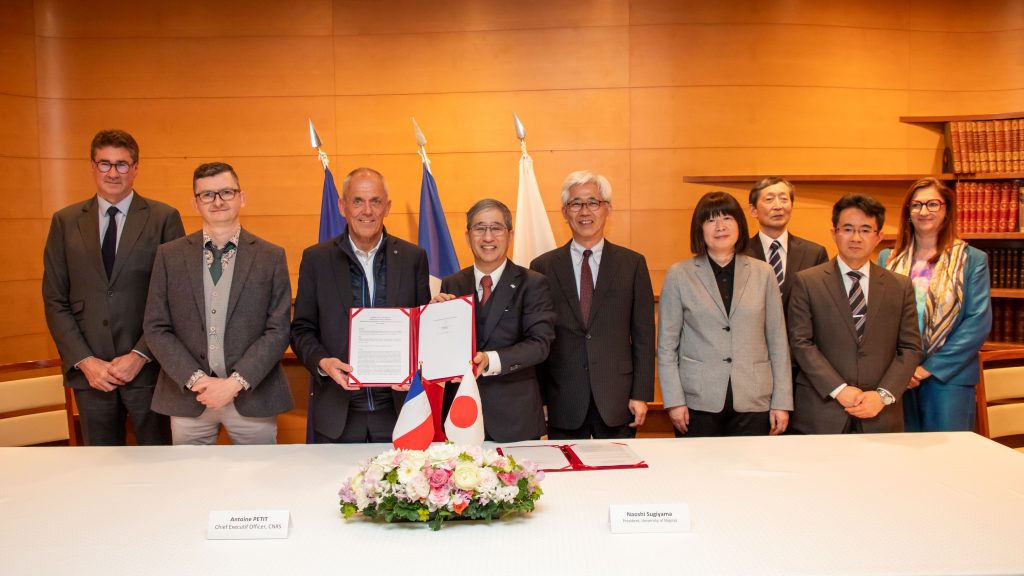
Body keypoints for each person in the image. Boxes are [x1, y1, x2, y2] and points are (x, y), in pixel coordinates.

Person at [42, 129, 185, 445]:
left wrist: (139, 355)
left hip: (147, 371)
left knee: (157, 467)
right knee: (100, 470)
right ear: (92, 166)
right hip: (90, 375)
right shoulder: (65, 222)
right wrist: (85, 361)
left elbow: (176, 299)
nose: (112, 172)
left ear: (135, 168)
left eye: (122, 164)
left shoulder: (164, 218)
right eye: (104, 164)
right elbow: (54, 298)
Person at [144, 162, 293, 444]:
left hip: (252, 397)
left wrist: (233, 384)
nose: (218, 201)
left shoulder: (270, 256)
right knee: (192, 484)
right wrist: (198, 380)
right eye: (207, 195)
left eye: (226, 192)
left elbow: (278, 329)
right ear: (195, 203)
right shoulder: (169, 256)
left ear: (242, 197)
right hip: (188, 397)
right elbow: (155, 327)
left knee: (257, 484)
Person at [290, 167, 430, 443]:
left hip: (399, 411)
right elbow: (302, 329)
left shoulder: (413, 258)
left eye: (375, 201)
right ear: (343, 206)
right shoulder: (317, 259)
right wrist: (323, 363)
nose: (367, 210)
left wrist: (415, 366)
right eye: (357, 201)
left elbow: (422, 328)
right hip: (337, 413)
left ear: (387, 207)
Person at [530, 170, 654, 439]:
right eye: (576, 203)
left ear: (607, 209)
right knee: (566, 477)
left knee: (619, 477)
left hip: (618, 399)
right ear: (565, 212)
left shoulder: (632, 264)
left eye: (593, 202)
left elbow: (644, 334)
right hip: (563, 399)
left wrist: (641, 394)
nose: (584, 211)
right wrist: (540, 398)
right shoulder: (543, 267)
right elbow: (538, 338)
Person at [658, 192, 792, 437]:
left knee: (749, 473)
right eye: (710, 220)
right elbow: (667, 346)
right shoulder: (679, 275)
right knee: (699, 473)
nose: (720, 227)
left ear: (739, 224)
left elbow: (778, 341)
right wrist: (674, 401)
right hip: (696, 401)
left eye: (727, 218)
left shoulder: (764, 273)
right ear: (700, 229)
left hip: (754, 397)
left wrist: (782, 401)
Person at [788, 194, 922, 434]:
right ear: (834, 233)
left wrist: (882, 396)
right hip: (821, 411)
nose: (856, 238)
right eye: (847, 229)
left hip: (880, 414)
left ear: (878, 236)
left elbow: (910, 348)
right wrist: (839, 389)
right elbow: (801, 343)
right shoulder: (808, 282)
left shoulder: (900, 286)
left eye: (865, 230)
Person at [434, 199, 555, 442]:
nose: (488, 237)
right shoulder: (452, 284)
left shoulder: (533, 283)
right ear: (468, 236)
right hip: (460, 415)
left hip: (515, 419)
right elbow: (441, 351)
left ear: (509, 234)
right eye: (479, 228)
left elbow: (539, 345)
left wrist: (491, 360)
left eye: (496, 228)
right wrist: (434, 320)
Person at [878, 177, 992, 432]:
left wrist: (925, 370)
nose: (923, 211)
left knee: (946, 459)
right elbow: (880, 318)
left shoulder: (972, 259)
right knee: (900, 455)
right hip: (897, 377)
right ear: (908, 212)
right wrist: (903, 370)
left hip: (948, 378)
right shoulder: (888, 258)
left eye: (932, 204)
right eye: (916, 205)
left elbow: (977, 323)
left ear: (946, 210)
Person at [744, 176, 828, 311]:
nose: (778, 206)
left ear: (792, 206)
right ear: (753, 210)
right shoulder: (739, 253)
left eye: (784, 199)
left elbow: (821, 306)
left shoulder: (814, 254)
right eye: (769, 200)